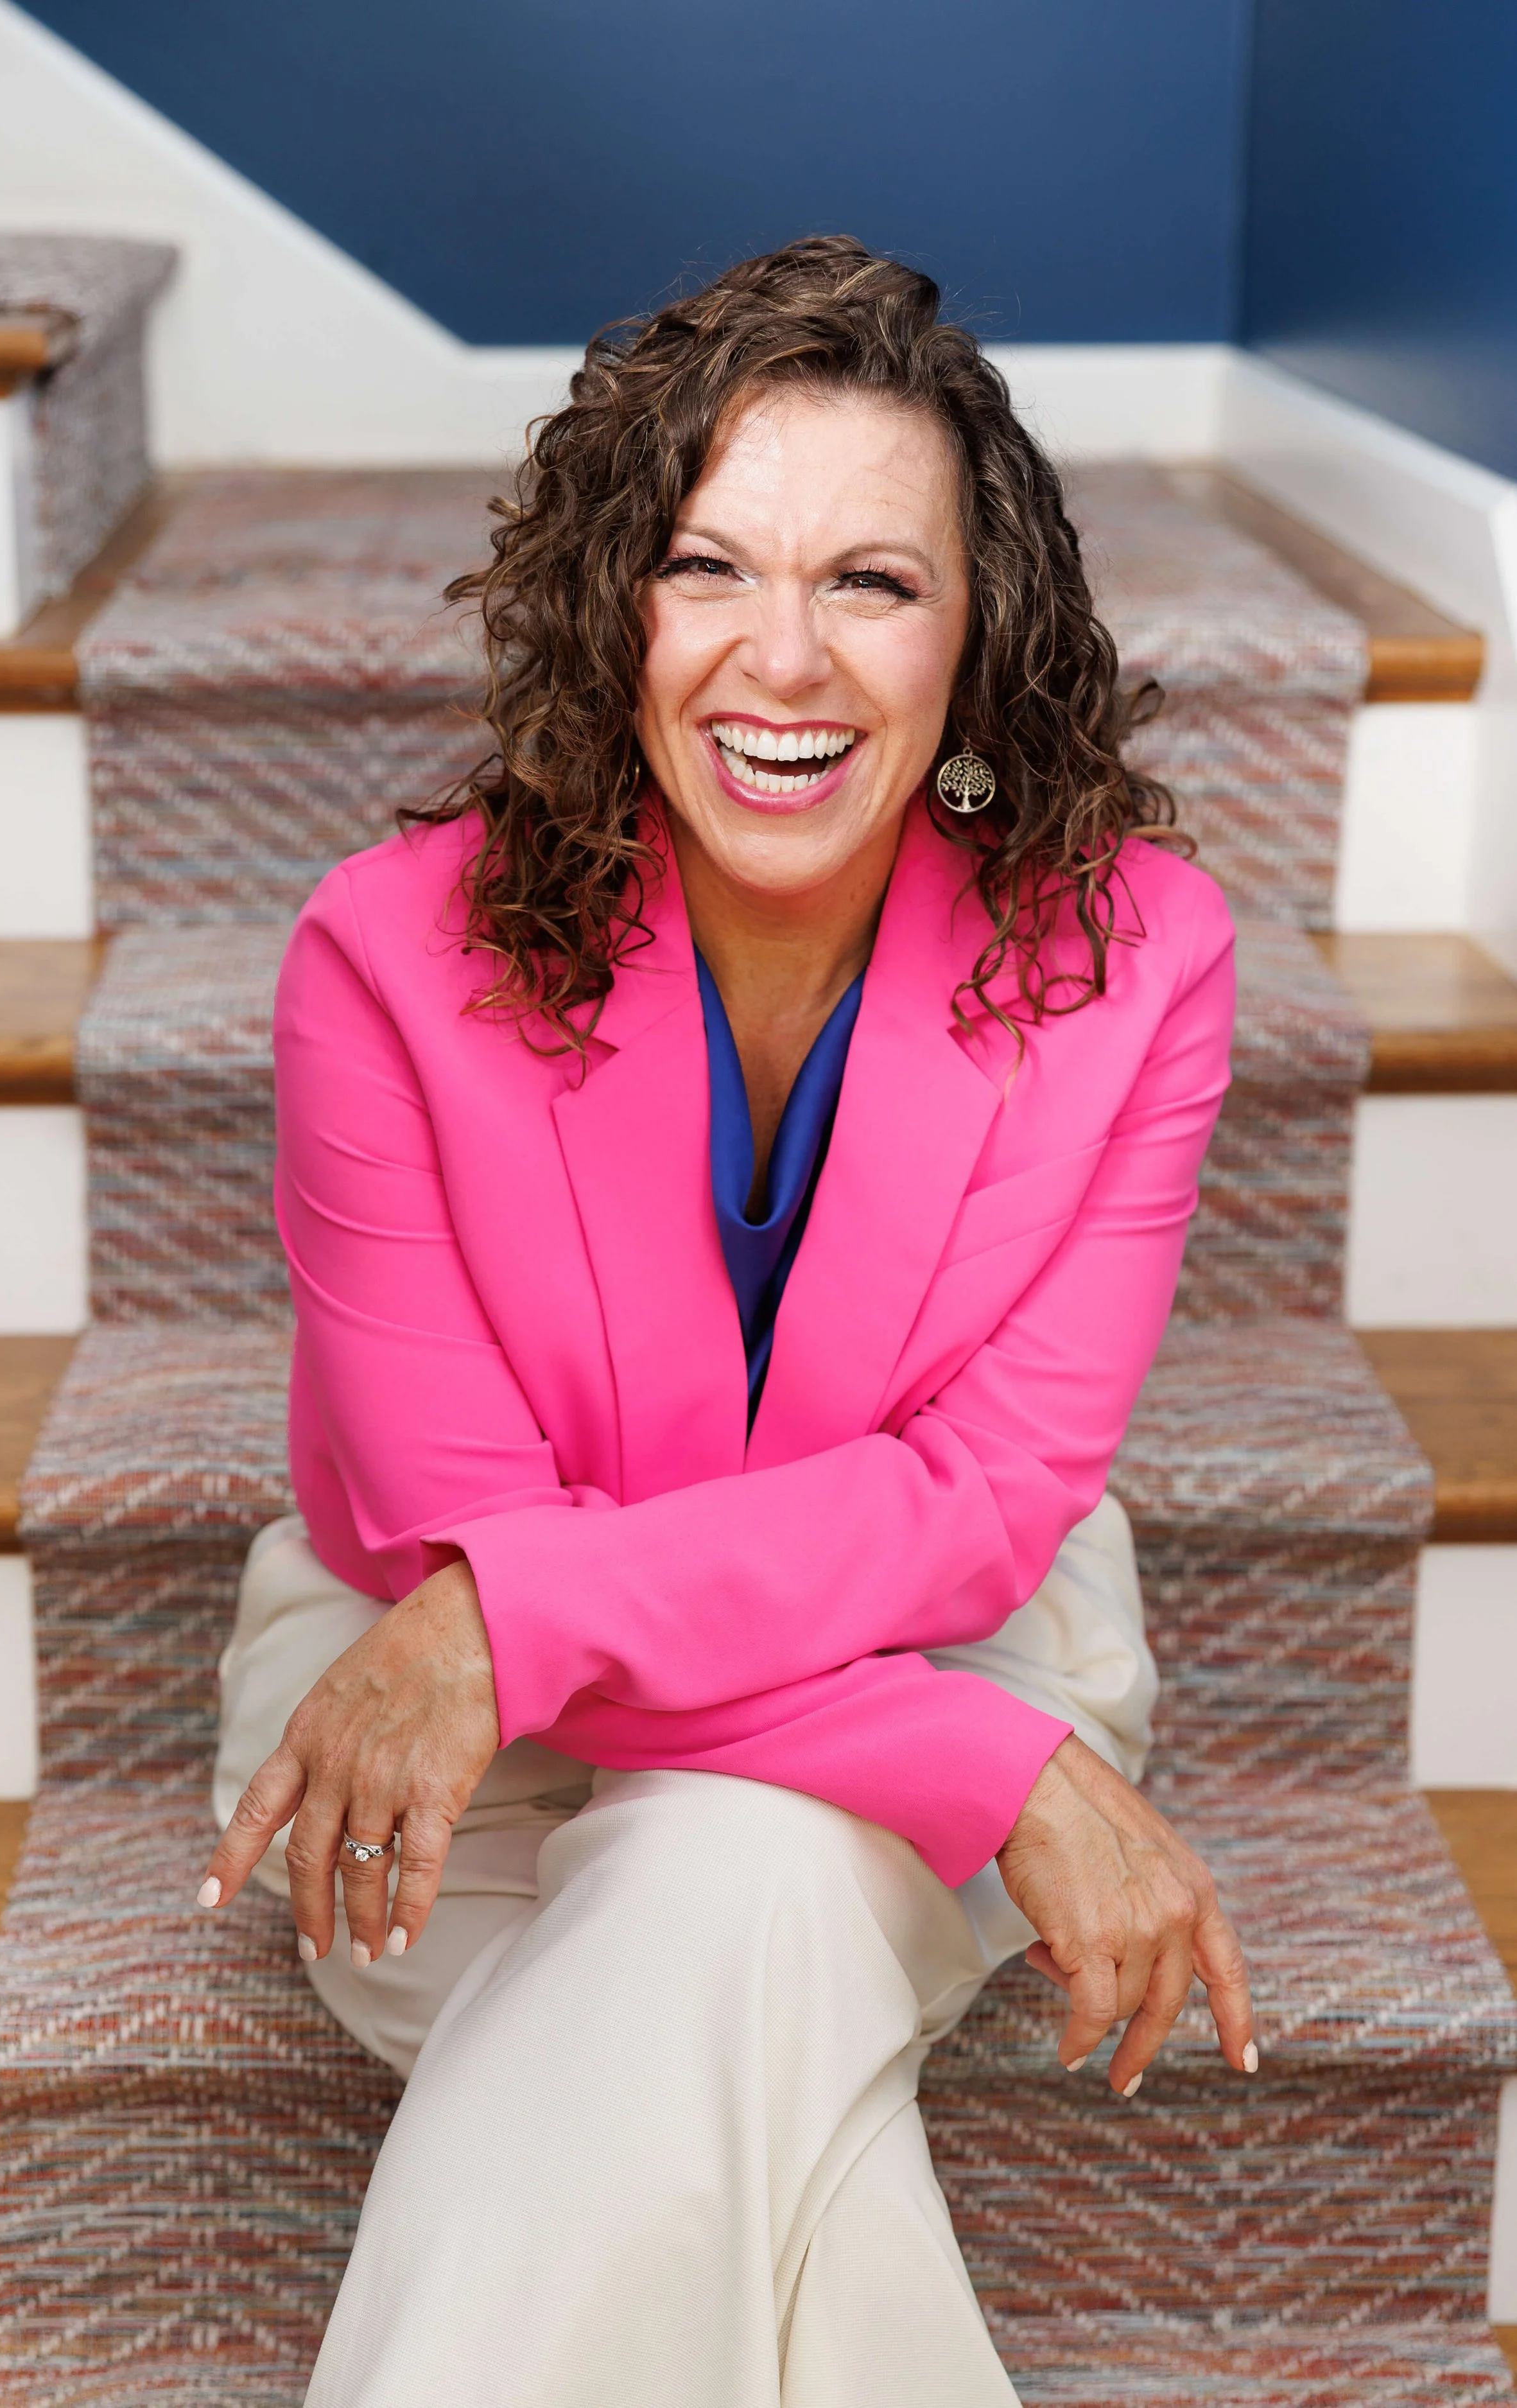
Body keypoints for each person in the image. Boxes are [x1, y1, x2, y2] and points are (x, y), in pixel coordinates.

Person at [198, 237, 1254, 2407]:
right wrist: (990, 1773)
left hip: (919, 1634)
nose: (785, 660)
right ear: (619, 610)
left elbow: (977, 1513)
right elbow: (438, 1522)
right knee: (752, 2014)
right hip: (418, 1716)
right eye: (707, 569)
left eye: (874, 580)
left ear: (979, 637)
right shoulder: (381, 958)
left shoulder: (1135, 960)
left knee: (709, 1902)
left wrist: (527, 1612)